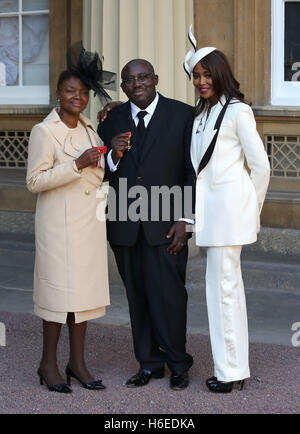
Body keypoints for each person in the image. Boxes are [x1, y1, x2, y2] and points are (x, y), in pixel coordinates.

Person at [98, 59, 194, 390]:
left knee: (170, 296)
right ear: (122, 86)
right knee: (137, 297)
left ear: (155, 79)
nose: (137, 83)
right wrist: (113, 155)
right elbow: (103, 171)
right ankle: (149, 363)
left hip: (167, 226)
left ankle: (178, 363)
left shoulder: (183, 115)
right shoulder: (112, 119)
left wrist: (185, 218)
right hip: (125, 226)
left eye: (143, 77)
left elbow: (190, 170)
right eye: (129, 80)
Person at [183, 27, 270, 393]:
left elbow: (261, 167)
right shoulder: (200, 115)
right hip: (211, 218)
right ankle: (234, 368)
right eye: (196, 76)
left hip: (230, 217)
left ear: (220, 73)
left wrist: (250, 210)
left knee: (224, 291)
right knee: (222, 291)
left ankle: (231, 372)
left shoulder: (238, 111)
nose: (202, 81)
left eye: (207, 74)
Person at [26, 44, 114, 393]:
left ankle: (77, 363)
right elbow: (35, 181)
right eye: (69, 91)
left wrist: (111, 154)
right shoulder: (43, 132)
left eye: (82, 92)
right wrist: (76, 164)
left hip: (88, 225)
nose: (77, 97)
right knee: (57, 298)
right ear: (58, 94)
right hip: (59, 229)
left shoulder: (91, 129)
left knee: (84, 298)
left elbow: (98, 173)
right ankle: (48, 363)